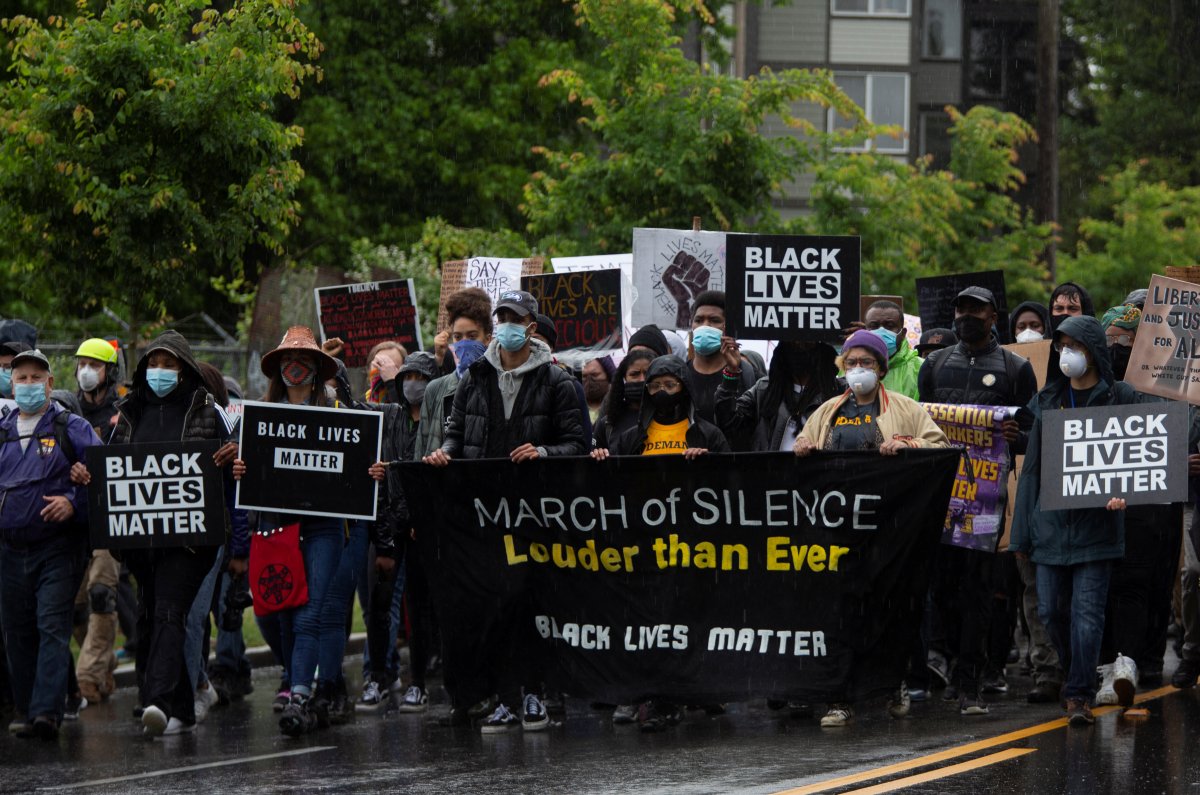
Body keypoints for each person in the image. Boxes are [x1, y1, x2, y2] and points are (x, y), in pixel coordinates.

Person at [424, 289, 587, 733]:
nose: (507, 327)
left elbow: (577, 444)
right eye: (502, 319)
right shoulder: (475, 377)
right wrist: (444, 453)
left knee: (527, 599)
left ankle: (533, 692)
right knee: (494, 603)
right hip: (486, 514)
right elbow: (456, 434)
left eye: (516, 319)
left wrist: (544, 452)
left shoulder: (557, 382)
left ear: (531, 327)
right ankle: (504, 697)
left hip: (536, 514)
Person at [77, 331, 239, 738]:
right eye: (154, 363)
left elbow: (241, 450)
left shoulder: (208, 409)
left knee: (169, 608)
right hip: (141, 539)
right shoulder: (129, 412)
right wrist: (86, 474)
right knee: (153, 614)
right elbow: (109, 468)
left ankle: (159, 701)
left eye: (169, 364)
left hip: (192, 540)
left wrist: (236, 455)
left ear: (184, 369)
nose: (160, 371)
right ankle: (183, 709)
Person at [794, 330, 950, 727]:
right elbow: (802, 449)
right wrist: (803, 449)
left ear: (881, 368)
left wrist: (910, 446)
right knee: (839, 614)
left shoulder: (905, 408)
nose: (858, 369)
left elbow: (941, 446)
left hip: (889, 531)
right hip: (837, 532)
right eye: (851, 363)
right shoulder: (827, 411)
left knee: (886, 609)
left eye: (866, 363)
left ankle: (890, 682)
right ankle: (840, 697)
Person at [1009, 315, 1141, 727]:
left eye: (1076, 346)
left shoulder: (1120, 397)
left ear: (1094, 351)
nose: (1067, 353)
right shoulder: (1049, 401)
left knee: (1087, 615)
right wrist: (1021, 535)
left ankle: (1078, 695)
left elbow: (1139, 459)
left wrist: (1124, 491)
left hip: (1097, 530)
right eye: (1062, 345)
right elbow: (1031, 472)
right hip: (1050, 530)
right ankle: (1081, 673)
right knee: (1051, 613)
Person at [231, 326, 359, 736]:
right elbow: (237, 459)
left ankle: (301, 695)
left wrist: (369, 471)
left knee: (310, 611)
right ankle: (297, 680)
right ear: (277, 370)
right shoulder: (257, 416)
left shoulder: (338, 411)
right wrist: (240, 465)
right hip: (277, 528)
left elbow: (357, 460)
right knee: (278, 611)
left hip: (323, 528)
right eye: (287, 360)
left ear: (318, 368)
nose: (295, 367)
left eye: (303, 360)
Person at [592, 355, 730, 731]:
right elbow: (611, 485)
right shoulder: (632, 438)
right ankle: (655, 697)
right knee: (653, 624)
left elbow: (731, 486)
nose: (662, 392)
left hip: (694, 547)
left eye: (670, 385)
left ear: (684, 388)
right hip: (646, 547)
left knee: (692, 620)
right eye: (655, 386)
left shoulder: (707, 434)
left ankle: (696, 689)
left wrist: (709, 465)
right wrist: (601, 460)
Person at [918, 287, 1037, 715]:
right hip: (941, 496)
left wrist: (1015, 437)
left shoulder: (1015, 368)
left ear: (993, 316)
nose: (967, 316)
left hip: (986, 500)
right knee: (943, 588)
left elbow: (1032, 435)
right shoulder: (934, 365)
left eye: (976, 309)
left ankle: (971, 677)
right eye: (961, 309)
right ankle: (952, 664)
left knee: (979, 589)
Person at [0, 349, 99, 739]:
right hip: (9, 549)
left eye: (35, 378)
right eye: (21, 378)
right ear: (12, 385)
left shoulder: (71, 427)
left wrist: (73, 502)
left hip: (58, 547)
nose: (28, 385)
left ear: (50, 383)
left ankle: (46, 712)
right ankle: (26, 708)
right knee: (17, 630)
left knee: (52, 625)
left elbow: (106, 476)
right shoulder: (2, 429)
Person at [1097, 304, 1182, 693]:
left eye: (1127, 340)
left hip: (1155, 503)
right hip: (1104, 502)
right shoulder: (1093, 387)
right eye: (1111, 339)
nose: (1118, 347)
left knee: (1150, 579)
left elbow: (1182, 432)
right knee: (1110, 584)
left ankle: (1145, 660)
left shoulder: (1164, 386)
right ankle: (1109, 660)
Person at [715, 341, 840, 452]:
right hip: (773, 471)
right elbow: (729, 425)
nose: (800, 347)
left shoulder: (838, 391)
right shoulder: (764, 390)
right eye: (793, 342)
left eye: (807, 343)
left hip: (820, 470)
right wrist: (731, 372)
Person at [415, 288, 493, 460]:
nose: (464, 343)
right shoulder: (435, 389)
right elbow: (422, 450)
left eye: (472, 336)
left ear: (488, 339)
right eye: (458, 337)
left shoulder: (500, 384)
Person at [682, 291, 754, 426]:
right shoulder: (681, 374)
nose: (705, 325)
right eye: (699, 320)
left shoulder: (745, 373)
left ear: (728, 327)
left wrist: (732, 373)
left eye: (714, 320)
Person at [592, 350, 657, 450]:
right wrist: (599, 454)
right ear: (624, 378)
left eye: (647, 373)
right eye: (635, 374)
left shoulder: (669, 417)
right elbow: (595, 453)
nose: (642, 379)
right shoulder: (608, 423)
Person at [861, 300, 922, 400]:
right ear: (864, 331)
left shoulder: (921, 368)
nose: (881, 331)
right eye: (874, 326)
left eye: (889, 326)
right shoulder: (851, 365)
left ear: (903, 333)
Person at [582, 356, 615, 425]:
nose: (589, 380)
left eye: (595, 375)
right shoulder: (574, 406)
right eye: (584, 376)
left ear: (608, 375)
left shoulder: (620, 405)